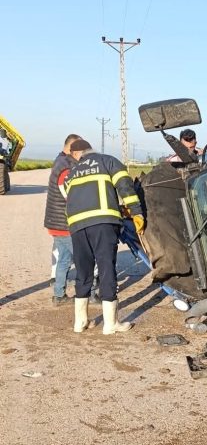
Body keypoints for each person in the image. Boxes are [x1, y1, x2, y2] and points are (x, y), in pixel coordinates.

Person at [65, 139, 145, 334]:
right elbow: (125, 187)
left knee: (83, 272)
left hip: (77, 226)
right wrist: (136, 212)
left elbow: (75, 198)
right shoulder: (107, 161)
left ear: (77, 154)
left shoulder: (72, 172)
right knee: (106, 268)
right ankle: (110, 324)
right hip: (103, 224)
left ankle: (80, 322)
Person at [44, 134, 82, 305]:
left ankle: (59, 296)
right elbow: (70, 196)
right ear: (72, 149)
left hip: (56, 223)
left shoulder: (60, 161)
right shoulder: (66, 167)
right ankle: (88, 295)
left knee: (64, 259)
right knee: (83, 259)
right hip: (64, 224)